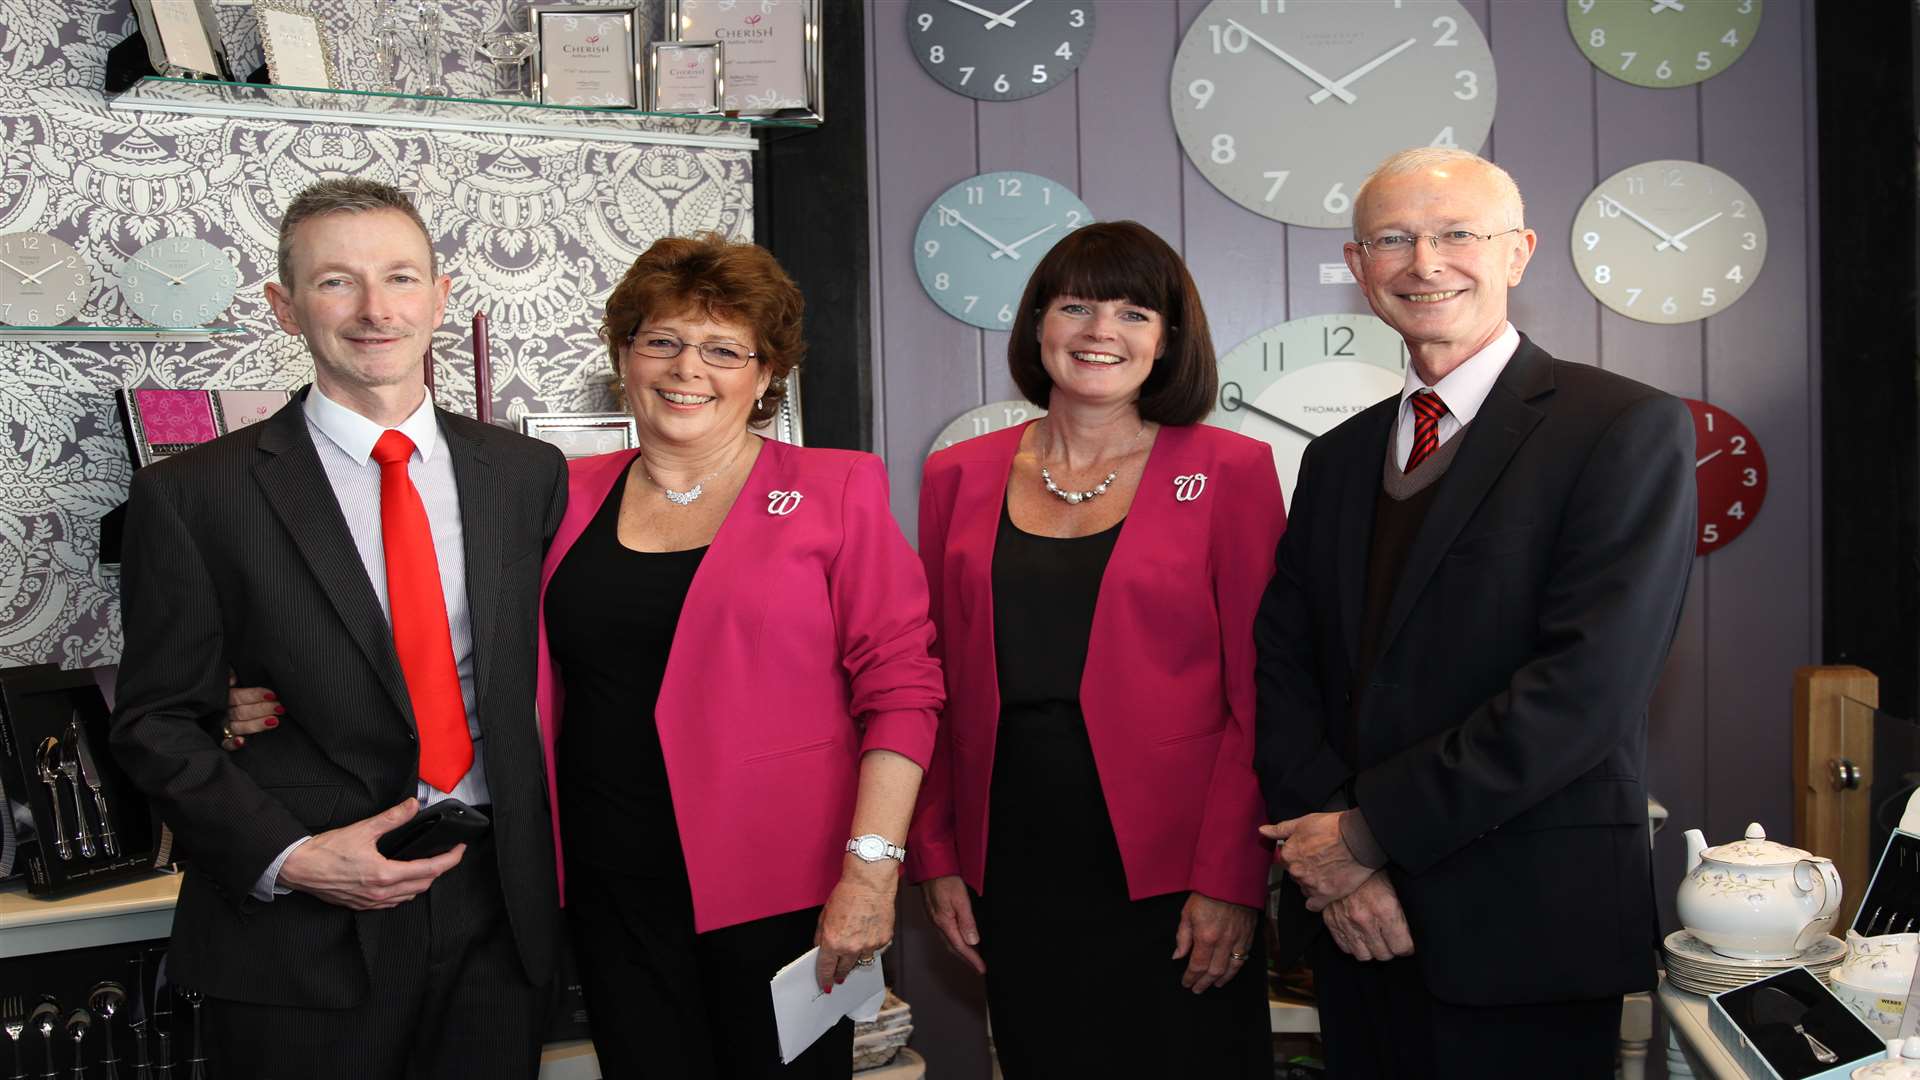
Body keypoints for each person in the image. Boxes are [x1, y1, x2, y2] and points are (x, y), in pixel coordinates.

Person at [1253, 148, 1697, 1079]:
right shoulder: (1336, 458)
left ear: (1520, 252)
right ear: (1357, 263)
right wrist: (1337, 859)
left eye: (1458, 233)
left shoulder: (1621, 428)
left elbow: (1585, 691)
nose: (1425, 262)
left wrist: (1367, 839)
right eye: (1393, 239)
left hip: (1526, 929)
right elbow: (1285, 668)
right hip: (1355, 929)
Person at [110, 178, 568, 1077]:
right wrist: (294, 858)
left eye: (401, 278)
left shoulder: (527, 474)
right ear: (285, 308)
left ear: (440, 298)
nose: (374, 310)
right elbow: (155, 722)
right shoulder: (193, 494)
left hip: (497, 911)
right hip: (301, 929)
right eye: (335, 283)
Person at [536, 234, 940, 1077]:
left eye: (723, 349)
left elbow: (902, 690)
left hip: (788, 891)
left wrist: (871, 871)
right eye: (662, 341)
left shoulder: (837, 489)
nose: (689, 369)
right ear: (624, 357)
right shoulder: (559, 493)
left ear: (763, 376)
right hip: (611, 887)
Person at [908, 221, 1285, 1077]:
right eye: (1076, 305)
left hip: (1175, 867)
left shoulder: (1231, 470)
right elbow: (927, 684)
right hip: (1011, 859)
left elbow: (1263, 694)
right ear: (1038, 323)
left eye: (1133, 312)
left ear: (1168, 340)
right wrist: (935, 854)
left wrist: (1233, 877)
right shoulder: (956, 476)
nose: (1100, 332)